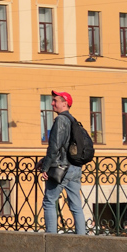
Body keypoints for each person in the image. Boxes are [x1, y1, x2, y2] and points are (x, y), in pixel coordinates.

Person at [40, 90, 86, 235]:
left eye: (55, 100)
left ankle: (51, 238)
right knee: (76, 205)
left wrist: (45, 167)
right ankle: (81, 237)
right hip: (75, 168)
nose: (52, 103)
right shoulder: (73, 120)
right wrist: (43, 160)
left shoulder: (60, 120)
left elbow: (55, 146)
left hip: (61, 168)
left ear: (64, 103)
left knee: (49, 201)